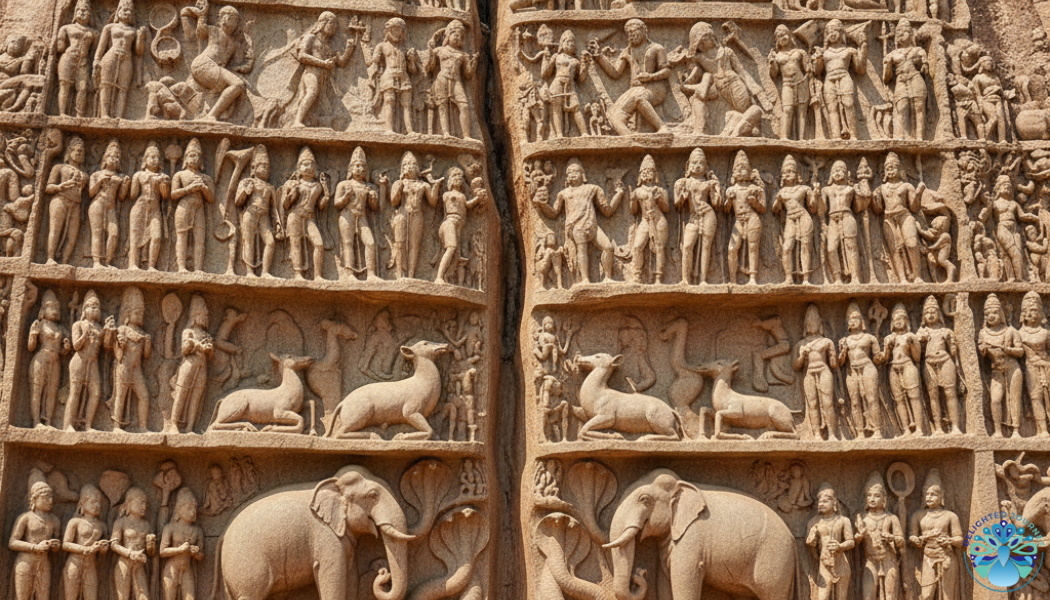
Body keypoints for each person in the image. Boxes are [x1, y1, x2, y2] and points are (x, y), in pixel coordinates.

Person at [533, 158, 621, 284]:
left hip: (593, 225)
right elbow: (553, 213)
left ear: (583, 174)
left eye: (575, 172)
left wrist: (619, 194)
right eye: (569, 173)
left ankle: (608, 277)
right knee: (582, 251)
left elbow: (607, 210)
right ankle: (585, 279)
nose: (572, 175)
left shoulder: (593, 189)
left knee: (608, 247)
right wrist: (542, 205)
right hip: (576, 227)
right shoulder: (564, 193)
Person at [589, 19, 669, 134]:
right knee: (613, 116)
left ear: (644, 30)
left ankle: (662, 127)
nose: (631, 35)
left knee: (638, 96)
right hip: (635, 90)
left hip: (655, 89)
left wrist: (650, 77)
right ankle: (631, 140)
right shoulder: (627, 51)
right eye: (628, 33)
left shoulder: (656, 48)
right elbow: (615, 72)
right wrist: (599, 56)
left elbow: (666, 71)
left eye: (634, 31)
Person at [182, 0, 253, 121]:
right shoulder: (214, 31)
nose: (231, 20)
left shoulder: (235, 43)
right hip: (204, 64)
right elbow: (200, 31)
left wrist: (249, 60)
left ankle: (211, 112)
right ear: (221, 19)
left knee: (235, 87)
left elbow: (238, 64)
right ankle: (212, 116)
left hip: (215, 71)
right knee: (237, 84)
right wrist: (202, 14)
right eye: (228, 16)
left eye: (235, 19)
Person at [288, 12, 355, 128]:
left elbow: (341, 62)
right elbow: (302, 56)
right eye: (332, 23)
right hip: (311, 73)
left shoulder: (328, 45)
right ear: (322, 23)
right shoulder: (310, 38)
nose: (334, 27)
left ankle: (309, 122)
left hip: (324, 79)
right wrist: (323, 63)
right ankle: (296, 121)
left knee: (327, 106)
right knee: (311, 92)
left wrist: (350, 48)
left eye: (335, 25)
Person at [63, 290, 116, 431]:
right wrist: (85, 335)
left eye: (97, 306)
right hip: (79, 361)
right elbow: (76, 346)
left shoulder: (99, 327)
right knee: (75, 392)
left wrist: (109, 331)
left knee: (95, 392)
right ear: (84, 309)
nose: (95, 309)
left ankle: (87, 424)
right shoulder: (78, 325)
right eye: (91, 306)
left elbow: (107, 346)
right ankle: (68, 425)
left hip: (93, 362)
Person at [909, 470, 963, 600]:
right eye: (927, 494)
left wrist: (949, 541)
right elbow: (912, 536)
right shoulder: (918, 515)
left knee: (947, 595)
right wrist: (917, 540)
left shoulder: (950, 516)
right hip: (928, 556)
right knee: (927, 594)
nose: (929, 497)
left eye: (933, 494)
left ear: (941, 496)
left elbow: (960, 540)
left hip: (946, 557)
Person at [390, 151, 442, 279]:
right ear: (402, 168)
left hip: (417, 215)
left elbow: (433, 202)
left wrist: (435, 186)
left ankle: (411, 275)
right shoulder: (399, 183)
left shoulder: (423, 185)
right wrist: (400, 185)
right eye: (407, 165)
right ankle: (400, 274)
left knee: (414, 245)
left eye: (413, 164)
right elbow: (394, 201)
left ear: (418, 168)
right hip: (402, 213)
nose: (410, 167)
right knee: (400, 243)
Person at [979, 294, 1024, 438]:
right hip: (996, 371)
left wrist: (1008, 350)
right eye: (987, 314)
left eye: (994, 312)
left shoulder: (1011, 331)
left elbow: (1020, 351)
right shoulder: (983, 333)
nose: (991, 316)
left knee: (1014, 398)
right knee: (995, 400)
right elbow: (982, 354)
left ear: (1000, 314)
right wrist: (983, 350)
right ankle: (997, 430)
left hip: (1012, 368)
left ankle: (1016, 430)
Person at [917, 295, 963, 435]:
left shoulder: (946, 331)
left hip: (945, 361)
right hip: (929, 363)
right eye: (927, 313)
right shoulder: (921, 332)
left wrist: (953, 342)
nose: (930, 315)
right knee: (933, 395)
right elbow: (916, 354)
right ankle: (938, 427)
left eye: (933, 312)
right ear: (923, 316)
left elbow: (954, 354)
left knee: (950, 393)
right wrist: (920, 342)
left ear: (939, 314)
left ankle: (955, 426)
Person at [854, 472, 904, 600]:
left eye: (877, 496)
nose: (872, 499)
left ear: (884, 499)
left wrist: (891, 538)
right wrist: (860, 535)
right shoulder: (862, 518)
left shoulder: (892, 518)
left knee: (890, 596)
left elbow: (901, 542)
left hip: (889, 561)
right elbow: (854, 544)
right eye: (869, 495)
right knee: (868, 595)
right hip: (870, 562)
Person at [619, 154, 668, 284]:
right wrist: (632, 200)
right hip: (645, 220)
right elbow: (634, 211)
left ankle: (659, 278)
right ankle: (637, 275)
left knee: (659, 247)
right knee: (637, 246)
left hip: (659, 220)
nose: (647, 174)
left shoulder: (660, 190)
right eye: (644, 172)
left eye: (650, 172)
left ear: (655, 174)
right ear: (640, 176)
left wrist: (660, 199)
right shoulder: (637, 191)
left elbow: (666, 208)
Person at [363, 18, 418, 134]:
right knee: (389, 102)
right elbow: (371, 62)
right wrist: (366, 48)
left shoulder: (405, 48)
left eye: (399, 29)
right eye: (394, 29)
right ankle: (389, 129)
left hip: (404, 77)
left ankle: (410, 130)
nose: (396, 32)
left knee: (407, 104)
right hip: (388, 76)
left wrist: (412, 60)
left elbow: (413, 70)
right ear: (388, 31)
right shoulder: (382, 46)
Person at [282, 146, 329, 280]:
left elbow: (320, 206)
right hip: (295, 216)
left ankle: (318, 275)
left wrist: (326, 193)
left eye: (311, 165)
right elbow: (286, 205)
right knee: (296, 244)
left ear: (315, 169)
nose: (308, 167)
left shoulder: (318, 186)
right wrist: (291, 193)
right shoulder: (294, 184)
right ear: (298, 168)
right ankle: (298, 274)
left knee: (319, 244)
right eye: (304, 164)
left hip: (310, 218)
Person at [675, 148, 721, 285]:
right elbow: (677, 205)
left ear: (706, 166)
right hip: (693, 217)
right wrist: (682, 197)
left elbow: (716, 203)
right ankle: (685, 279)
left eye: (701, 163)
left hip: (708, 215)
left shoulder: (708, 183)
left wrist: (716, 187)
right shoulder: (682, 182)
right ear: (688, 165)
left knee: (706, 247)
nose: (698, 166)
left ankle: (703, 280)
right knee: (687, 246)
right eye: (694, 163)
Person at [9, 482, 62, 600]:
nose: (50, 500)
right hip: (25, 562)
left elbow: (58, 543)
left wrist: (55, 545)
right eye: (46, 497)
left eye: (51, 497)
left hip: (44, 563)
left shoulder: (54, 520)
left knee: (43, 596)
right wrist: (34, 547)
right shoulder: (25, 518)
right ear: (35, 498)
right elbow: (12, 542)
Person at [815, 20, 867, 140]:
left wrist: (863, 48)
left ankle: (854, 135)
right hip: (829, 79)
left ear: (841, 32)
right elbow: (817, 71)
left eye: (835, 30)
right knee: (832, 108)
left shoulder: (849, 50)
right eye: (829, 31)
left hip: (844, 77)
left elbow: (860, 69)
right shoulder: (824, 52)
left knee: (848, 104)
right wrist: (817, 60)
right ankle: (835, 136)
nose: (832, 34)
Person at [167, 295, 212, 433]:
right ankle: (173, 424)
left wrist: (209, 350)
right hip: (188, 365)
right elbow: (184, 349)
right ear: (195, 315)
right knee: (182, 393)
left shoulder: (206, 335)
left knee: (196, 397)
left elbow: (211, 355)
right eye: (202, 314)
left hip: (202, 367)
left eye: (206, 315)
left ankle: (190, 427)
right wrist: (198, 346)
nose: (205, 317)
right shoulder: (188, 331)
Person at [426, 20, 478, 139]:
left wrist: (474, 63)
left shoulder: (463, 55)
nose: (457, 37)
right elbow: (429, 68)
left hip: (456, 80)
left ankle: (466, 135)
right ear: (448, 36)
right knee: (442, 105)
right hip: (442, 78)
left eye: (460, 35)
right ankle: (446, 133)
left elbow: (468, 74)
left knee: (464, 106)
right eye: (455, 34)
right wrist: (430, 51)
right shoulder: (439, 50)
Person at [93, 0, 144, 119]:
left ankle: (119, 115)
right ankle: (105, 114)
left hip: (127, 58)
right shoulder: (109, 27)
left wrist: (140, 38)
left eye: (130, 11)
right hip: (111, 56)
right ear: (118, 12)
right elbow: (101, 46)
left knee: (123, 88)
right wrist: (96, 60)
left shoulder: (134, 31)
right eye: (125, 10)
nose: (127, 13)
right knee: (106, 85)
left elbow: (139, 51)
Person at [794, 305, 839, 440]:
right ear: (805, 326)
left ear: (820, 324)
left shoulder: (827, 341)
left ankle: (832, 434)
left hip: (823, 370)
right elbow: (796, 366)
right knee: (812, 404)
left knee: (828, 403)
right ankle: (817, 434)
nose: (811, 325)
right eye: (808, 323)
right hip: (809, 373)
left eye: (814, 322)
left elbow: (834, 364)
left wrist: (837, 354)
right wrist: (802, 355)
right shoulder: (800, 344)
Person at [109, 287, 151, 432]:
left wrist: (147, 343)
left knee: (144, 395)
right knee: (121, 395)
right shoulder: (123, 330)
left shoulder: (143, 333)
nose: (140, 316)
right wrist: (121, 343)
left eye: (142, 313)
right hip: (124, 366)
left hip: (136, 368)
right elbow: (116, 350)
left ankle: (143, 426)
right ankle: (116, 426)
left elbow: (146, 356)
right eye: (137, 313)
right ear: (127, 315)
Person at [170, 138, 215, 273]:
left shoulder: (206, 178)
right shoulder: (180, 175)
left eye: (198, 156)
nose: (195, 158)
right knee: (182, 236)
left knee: (200, 238)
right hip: (184, 207)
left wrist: (204, 188)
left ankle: (198, 268)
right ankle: (181, 267)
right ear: (186, 159)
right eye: (191, 155)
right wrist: (189, 189)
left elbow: (211, 199)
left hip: (199, 208)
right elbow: (173, 194)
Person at [235, 145, 280, 277]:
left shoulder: (270, 187)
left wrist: (278, 223)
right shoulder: (248, 181)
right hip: (251, 212)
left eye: (268, 166)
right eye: (263, 166)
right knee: (248, 241)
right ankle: (249, 272)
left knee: (270, 242)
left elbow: (274, 208)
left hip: (264, 215)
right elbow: (238, 201)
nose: (266, 169)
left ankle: (265, 271)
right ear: (254, 168)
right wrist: (245, 192)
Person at [838, 302, 882, 437]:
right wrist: (843, 351)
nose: (853, 321)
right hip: (852, 372)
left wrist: (885, 351)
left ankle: (877, 431)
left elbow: (878, 359)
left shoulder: (870, 338)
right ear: (847, 323)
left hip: (868, 369)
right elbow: (840, 362)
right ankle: (860, 432)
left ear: (861, 321)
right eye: (850, 319)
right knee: (855, 402)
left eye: (856, 318)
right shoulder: (845, 340)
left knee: (872, 399)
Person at [28, 290, 71, 428]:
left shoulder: (60, 327)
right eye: (52, 307)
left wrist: (66, 348)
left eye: (57, 308)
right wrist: (33, 336)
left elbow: (63, 351)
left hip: (55, 360)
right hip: (41, 359)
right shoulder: (39, 324)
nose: (55, 311)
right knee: (38, 391)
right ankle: (36, 422)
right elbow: (30, 347)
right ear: (43, 309)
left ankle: (48, 421)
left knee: (52, 392)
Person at [436, 167, 485, 284]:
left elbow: (468, 205)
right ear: (450, 181)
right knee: (451, 248)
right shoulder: (448, 195)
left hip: (458, 226)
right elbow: (448, 201)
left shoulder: (462, 196)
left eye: (460, 177)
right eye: (455, 176)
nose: (458, 179)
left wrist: (478, 198)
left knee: (457, 257)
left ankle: (451, 279)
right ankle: (439, 277)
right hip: (449, 224)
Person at [772, 154, 817, 284]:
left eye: (791, 171)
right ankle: (788, 278)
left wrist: (816, 193)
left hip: (803, 217)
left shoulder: (804, 188)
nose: (788, 174)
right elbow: (775, 210)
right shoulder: (781, 192)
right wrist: (777, 200)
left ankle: (806, 279)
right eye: (786, 172)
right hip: (790, 219)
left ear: (797, 174)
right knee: (786, 248)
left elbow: (813, 207)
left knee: (805, 246)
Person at [724, 151, 766, 285]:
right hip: (739, 220)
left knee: (753, 247)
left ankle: (753, 278)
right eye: (738, 169)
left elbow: (763, 209)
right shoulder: (731, 189)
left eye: (744, 169)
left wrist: (754, 202)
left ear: (750, 171)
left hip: (752, 218)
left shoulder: (756, 189)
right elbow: (726, 210)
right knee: (732, 248)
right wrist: (729, 201)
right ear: (734, 172)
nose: (741, 171)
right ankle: (733, 279)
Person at [806, 484, 854, 600]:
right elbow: (810, 545)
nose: (821, 503)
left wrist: (840, 546)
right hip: (824, 566)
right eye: (820, 501)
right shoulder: (813, 522)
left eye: (826, 501)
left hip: (841, 565)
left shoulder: (843, 520)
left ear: (834, 503)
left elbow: (851, 542)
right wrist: (812, 541)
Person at [45, 135, 87, 265]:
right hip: (60, 199)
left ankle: (64, 261)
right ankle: (50, 258)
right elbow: (48, 188)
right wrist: (60, 186)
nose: (80, 153)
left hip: (76, 204)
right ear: (70, 152)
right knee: (55, 230)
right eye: (78, 150)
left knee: (72, 236)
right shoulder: (59, 167)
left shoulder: (84, 174)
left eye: (82, 152)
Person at [883, 19, 929, 140]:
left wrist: (924, 64)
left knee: (918, 108)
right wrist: (887, 66)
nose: (900, 34)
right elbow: (886, 78)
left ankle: (920, 138)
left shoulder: (918, 51)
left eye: (904, 31)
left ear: (910, 33)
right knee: (902, 107)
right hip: (900, 81)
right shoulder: (893, 54)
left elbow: (926, 69)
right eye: (898, 32)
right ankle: (904, 137)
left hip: (915, 78)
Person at [61, 484, 108, 600]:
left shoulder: (102, 526)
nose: (97, 505)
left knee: (91, 596)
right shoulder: (75, 522)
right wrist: (84, 549)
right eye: (93, 502)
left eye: (99, 503)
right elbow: (65, 544)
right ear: (83, 503)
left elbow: (104, 551)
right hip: (75, 562)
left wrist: (103, 547)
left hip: (91, 564)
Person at [88, 140, 130, 268]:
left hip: (111, 207)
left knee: (114, 233)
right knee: (97, 232)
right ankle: (96, 262)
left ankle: (107, 262)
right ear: (105, 159)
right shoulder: (97, 174)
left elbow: (121, 197)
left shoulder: (121, 176)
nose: (115, 159)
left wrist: (125, 185)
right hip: (97, 204)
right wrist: (100, 181)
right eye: (112, 156)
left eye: (117, 157)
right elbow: (91, 193)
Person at [128, 144, 169, 270]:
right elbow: (133, 195)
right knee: (135, 237)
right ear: (145, 160)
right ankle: (133, 264)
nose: (154, 159)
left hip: (155, 210)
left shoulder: (163, 177)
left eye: (157, 157)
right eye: (151, 157)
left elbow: (165, 196)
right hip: (139, 208)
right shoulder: (139, 175)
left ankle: (151, 266)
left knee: (156, 237)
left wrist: (164, 185)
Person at [110, 488, 155, 600]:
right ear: (129, 502)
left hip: (139, 564)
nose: (143, 506)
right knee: (123, 597)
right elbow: (113, 544)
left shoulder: (146, 525)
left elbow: (150, 553)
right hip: (124, 563)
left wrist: (151, 546)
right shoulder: (121, 522)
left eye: (145, 503)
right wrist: (129, 553)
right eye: (140, 502)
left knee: (144, 597)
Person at [160, 488, 204, 600]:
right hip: (171, 569)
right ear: (179, 509)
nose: (193, 511)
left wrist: (194, 553)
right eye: (189, 508)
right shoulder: (170, 528)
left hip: (187, 569)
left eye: (194, 508)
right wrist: (180, 550)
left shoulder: (197, 531)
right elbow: (162, 551)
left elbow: (200, 556)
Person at [55, 0, 98, 117]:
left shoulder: (94, 33)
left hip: (84, 61)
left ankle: (80, 115)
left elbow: (94, 52)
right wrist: (56, 39)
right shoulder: (66, 28)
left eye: (86, 11)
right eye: (80, 10)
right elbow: (60, 48)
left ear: (90, 14)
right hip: (68, 58)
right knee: (65, 85)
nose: (82, 13)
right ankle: (63, 113)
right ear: (75, 13)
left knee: (83, 88)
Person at [768, 24, 810, 140]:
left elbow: (808, 69)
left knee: (802, 111)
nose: (783, 37)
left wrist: (813, 64)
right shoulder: (777, 56)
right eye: (779, 36)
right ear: (776, 41)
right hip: (787, 84)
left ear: (790, 35)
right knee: (787, 109)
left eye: (784, 34)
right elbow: (774, 74)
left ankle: (801, 138)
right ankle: (784, 137)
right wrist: (772, 63)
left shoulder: (799, 52)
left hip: (801, 82)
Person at [1019, 291, 1050, 437]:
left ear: (1040, 312)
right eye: (1027, 311)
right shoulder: (1019, 334)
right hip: (1030, 369)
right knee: (1036, 398)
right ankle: (1042, 430)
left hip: (1047, 367)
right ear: (1022, 313)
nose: (1030, 314)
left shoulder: (1045, 333)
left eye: (1034, 310)